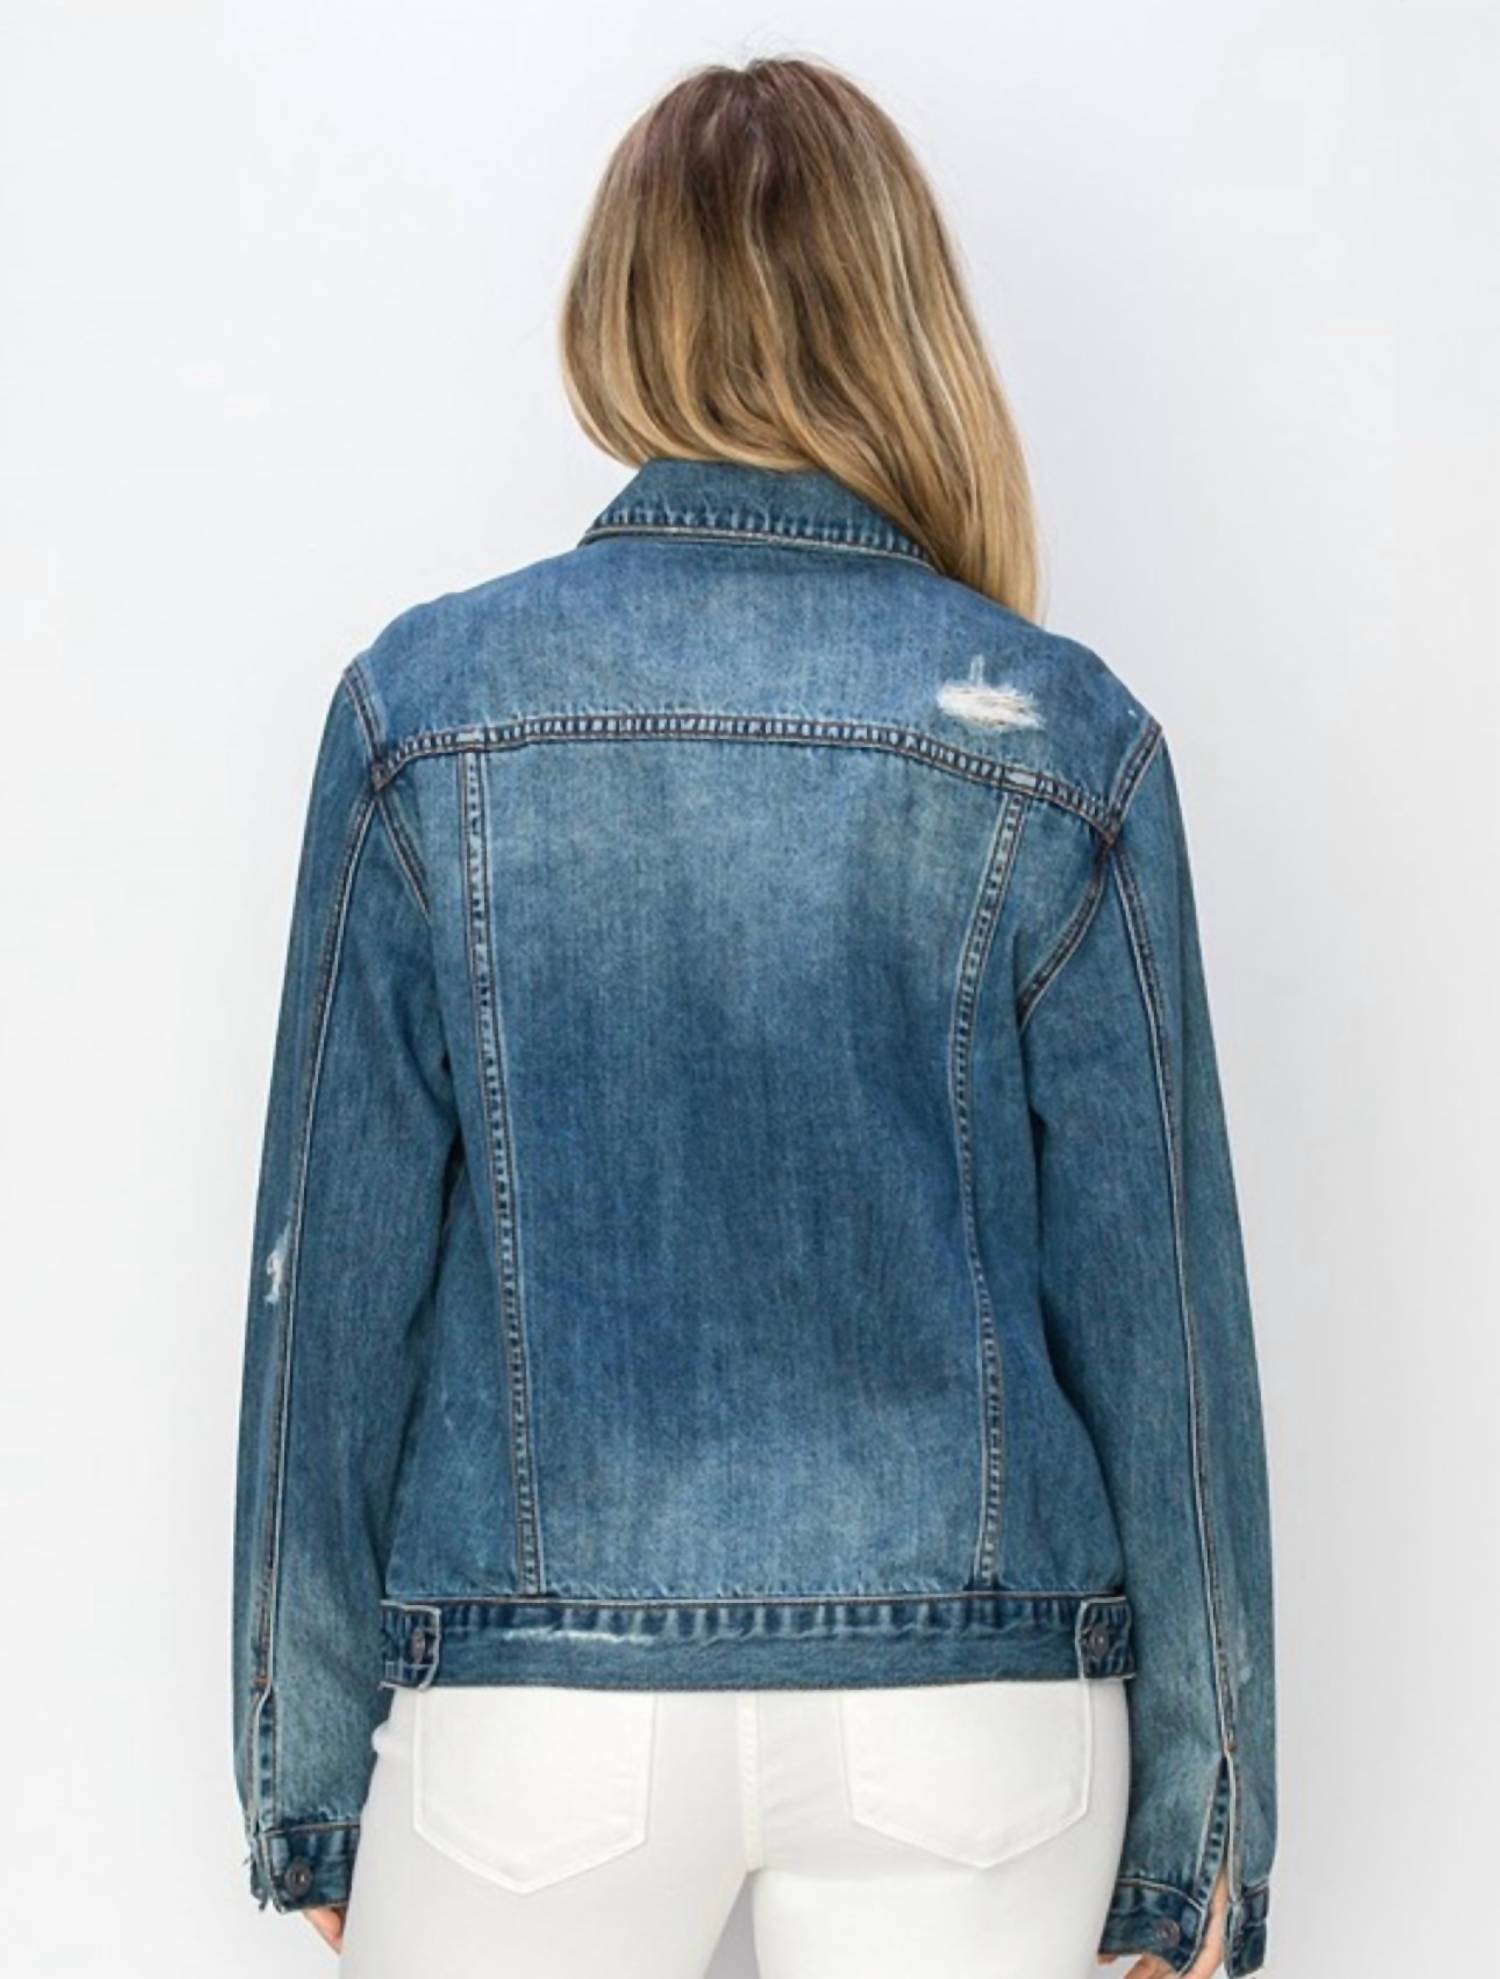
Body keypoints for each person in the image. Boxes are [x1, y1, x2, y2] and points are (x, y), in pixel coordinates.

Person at [231, 52, 1276, 1979]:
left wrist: (298, 1765)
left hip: (537, 1715)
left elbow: (332, 1287)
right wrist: (1206, 1822)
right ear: (901, 317)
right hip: (977, 1715)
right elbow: (1165, 1322)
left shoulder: (422, 715)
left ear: (619, 310)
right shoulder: (1060, 735)